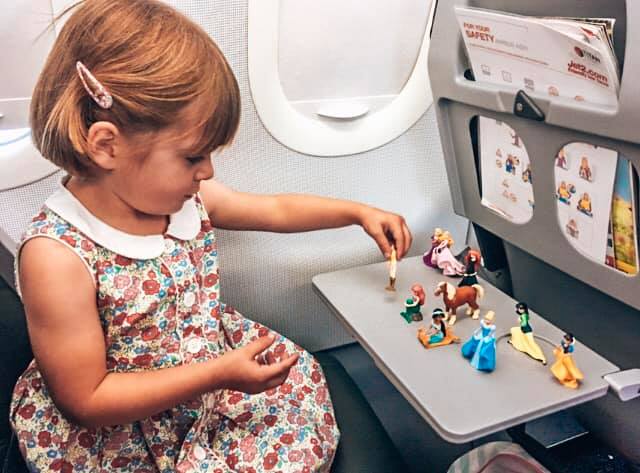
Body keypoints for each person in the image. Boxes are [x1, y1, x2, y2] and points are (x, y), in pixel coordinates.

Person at [10, 1, 413, 471]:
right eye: (192, 157)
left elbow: (275, 209)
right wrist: (216, 374)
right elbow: (88, 399)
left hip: (204, 375)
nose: (208, 171)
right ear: (106, 145)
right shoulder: (56, 257)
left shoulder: (186, 200)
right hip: (123, 431)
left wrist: (357, 212)